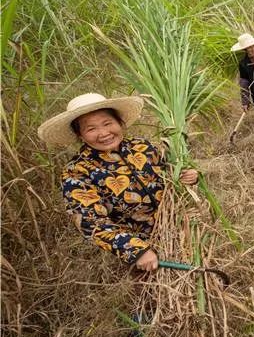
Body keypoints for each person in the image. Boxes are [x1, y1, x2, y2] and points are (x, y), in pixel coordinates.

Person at [37, 93, 200, 270]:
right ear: (80, 135)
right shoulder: (77, 171)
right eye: (91, 129)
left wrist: (188, 176)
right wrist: (136, 250)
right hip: (145, 254)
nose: (104, 133)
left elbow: (170, 174)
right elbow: (90, 222)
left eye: (107, 123)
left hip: (182, 231)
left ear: (119, 123)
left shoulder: (143, 147)